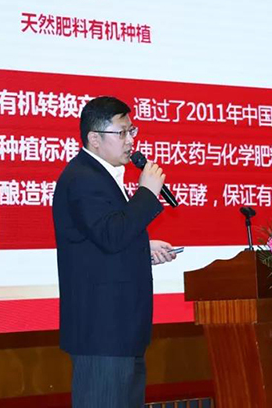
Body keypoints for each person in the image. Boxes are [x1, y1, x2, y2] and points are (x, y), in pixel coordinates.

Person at [52, 96, 177, 408]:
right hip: (101, 332)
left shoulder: (99, 176)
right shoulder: (83, 178)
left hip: (120, 331)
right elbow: (110, 234)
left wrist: (142, 248)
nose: (131, 140)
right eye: (122, 132)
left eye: (131, 131)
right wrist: (146, 193)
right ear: (94, 138)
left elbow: (99, 239)